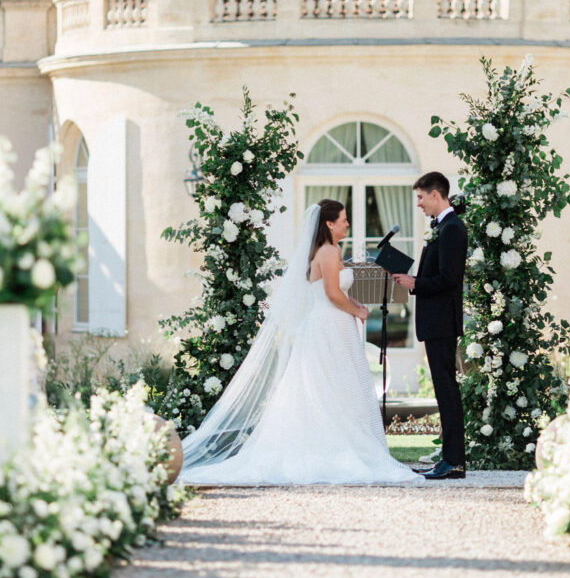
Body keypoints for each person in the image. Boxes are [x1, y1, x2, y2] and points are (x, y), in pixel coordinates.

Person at [179, 199, 423, 486]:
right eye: (343, 219)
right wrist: (357, 310)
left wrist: (356, 302)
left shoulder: (325, 251)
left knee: (330, 387)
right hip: (330, 325)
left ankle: (335, 442)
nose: (347, 223)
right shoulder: (329, 251)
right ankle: (337, 447)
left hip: (327, 323)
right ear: (329, 223)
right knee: (333, 385)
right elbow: (332, 293)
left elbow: (330, 289)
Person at [393, 172, 468, 480]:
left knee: (447, 391)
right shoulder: (442, 227)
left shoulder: (452, 229)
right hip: (434, 321)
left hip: (441, 322)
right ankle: (450, 459)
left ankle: (453, 461)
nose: (419, 204)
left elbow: (450, 279)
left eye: (421, 197)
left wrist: (415, 283)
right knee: (443, 390)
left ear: (436, 195)